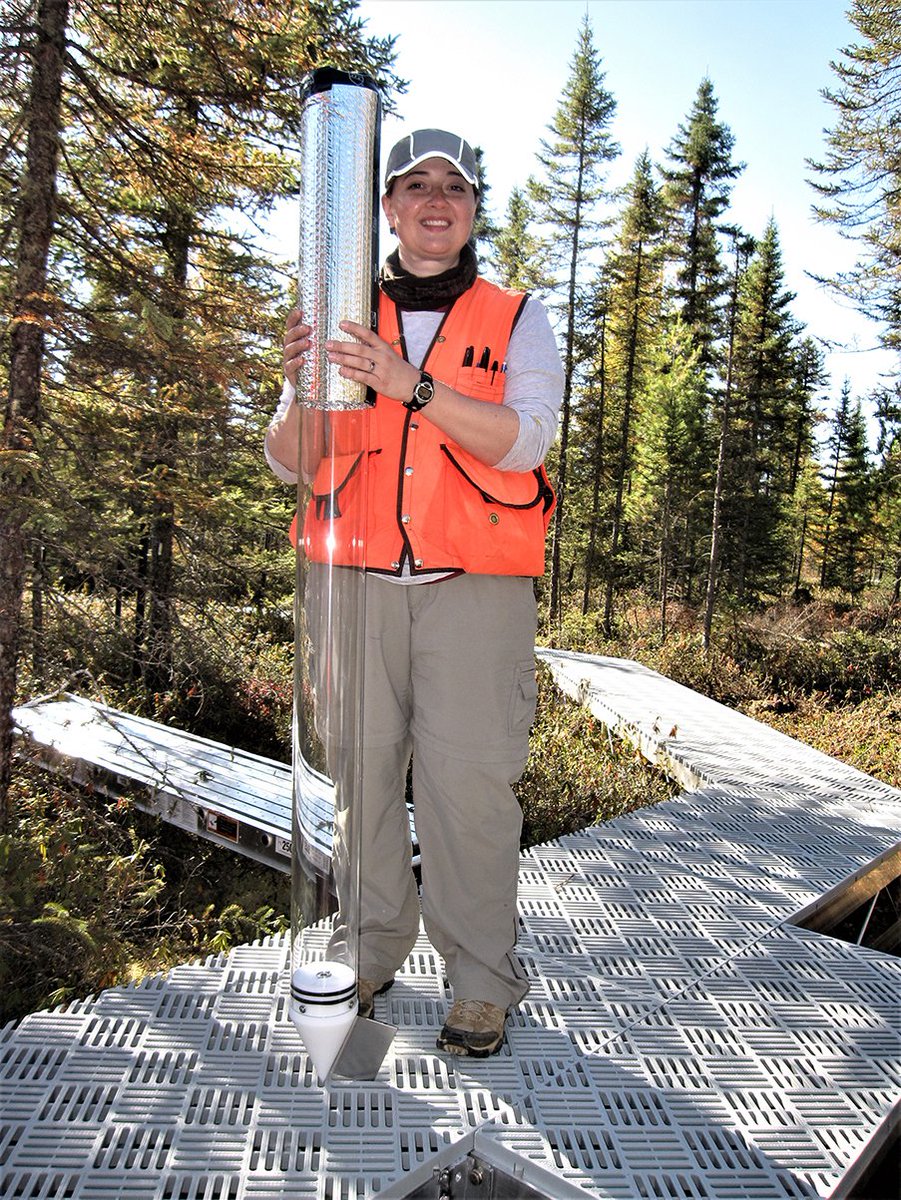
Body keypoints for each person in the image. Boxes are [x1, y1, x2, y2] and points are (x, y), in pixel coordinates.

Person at [266, 128, 563, 1057]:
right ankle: (370, 943)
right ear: (387, 207)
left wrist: (411, 386)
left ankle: (479, 982)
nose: (436, 202)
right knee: (359, 779)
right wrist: (297, 388)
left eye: (456, 189)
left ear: (474, 211)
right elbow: (286, 463)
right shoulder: (339, 312)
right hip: (350, 587)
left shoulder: (517, 317)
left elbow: (525, 440)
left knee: (470, 790)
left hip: (470, 591)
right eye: (415, 185)